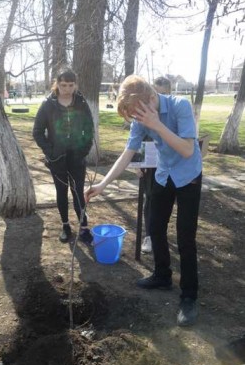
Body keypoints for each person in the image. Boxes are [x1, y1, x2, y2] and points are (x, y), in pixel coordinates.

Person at [85, 74, 202, 327]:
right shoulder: (141, 115)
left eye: (137, 114)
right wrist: (104, 184)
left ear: (151, 98)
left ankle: (189, 296)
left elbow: (187, 149)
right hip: (164, 174)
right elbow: (128, 153)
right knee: (155, 227)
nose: (136, 120)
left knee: (185, 237)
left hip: (188, 175)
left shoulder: (180, 106)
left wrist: (157, 124)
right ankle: (162, 275)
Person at [33, 68, 94, 244]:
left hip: (77, 158)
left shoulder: (81, 102)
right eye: (63, 85)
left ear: (75, 85)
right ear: (57, 84)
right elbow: (37, 132)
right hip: (57, 159)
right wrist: (50, 152)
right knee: (61, 192)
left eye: (70, 85)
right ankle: (66, 226)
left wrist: (84, 150)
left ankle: (84, 228)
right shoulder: (48, 104)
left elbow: (89, 129)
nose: (67, 89)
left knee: (78, 193)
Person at [141, 77, 172, 254]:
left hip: (169, 165)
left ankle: (159, 233)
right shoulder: (145, 111)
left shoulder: (173, 111)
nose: (157, 99)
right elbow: (137, 139)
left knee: (164, 200)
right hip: (150, 162)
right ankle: (149, 235)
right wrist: (138, 162)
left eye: (163, 94)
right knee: (150, 198)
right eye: (156, 93)